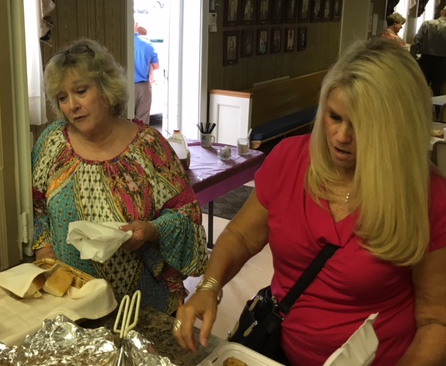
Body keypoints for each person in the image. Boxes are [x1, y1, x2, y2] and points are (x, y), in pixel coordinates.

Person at [173, 39, 446, 365]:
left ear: (396, 129)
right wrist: (209, 286)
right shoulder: (290, 159)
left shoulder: (426, 195)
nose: (341, 137)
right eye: (335, 117)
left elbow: (436, 320)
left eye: (362, 126)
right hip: (281, 352)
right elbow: (242, 236)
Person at [32, 38, 208, 315]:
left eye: (80, 91)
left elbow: (187, 215)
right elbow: (36, 207)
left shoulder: (149, 146)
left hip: (141, 306)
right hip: (71, 304)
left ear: (105, 88)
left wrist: (152, 230)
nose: (72, 105)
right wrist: (44, 252)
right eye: (62, 98)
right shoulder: (52, 142)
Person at [412, 5, 446, 96]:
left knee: (421, 86)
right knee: (438, 89)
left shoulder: (427, 23)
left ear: (441, 12)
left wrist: (413, 56)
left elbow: (416, 41)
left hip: (425, 59)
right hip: (442, 62)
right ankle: (436, 104)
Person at [133, 24, 160, 124]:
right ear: (136, 25)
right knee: (142, 122)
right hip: (143, 86)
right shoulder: (147, 45)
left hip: (123, 86)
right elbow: (156, 66)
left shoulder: (121, 43)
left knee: (123, 120)